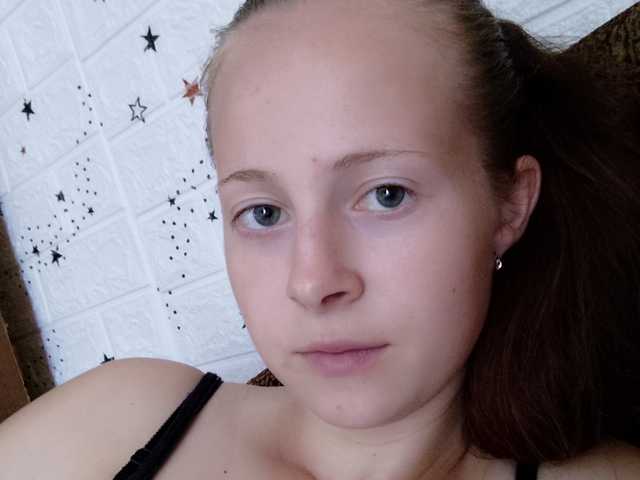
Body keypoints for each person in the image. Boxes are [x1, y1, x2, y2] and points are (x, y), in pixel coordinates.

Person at [1, 0, 639, 478]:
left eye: (386, 195)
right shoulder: (119, 422)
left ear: (510, 204)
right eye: (263, 212)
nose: (312, 282)